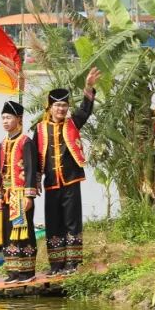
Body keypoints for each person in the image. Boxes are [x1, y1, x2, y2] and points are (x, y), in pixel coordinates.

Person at [37, 68, 100, 273]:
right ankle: (56, 264)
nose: (61, 109)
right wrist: (35, 180)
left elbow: (86, 108)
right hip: (52, 182)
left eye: (64, 105)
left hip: (71, 180)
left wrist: (89, 87)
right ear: (50, 107)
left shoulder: (73, 123)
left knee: (72, 221)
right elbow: (33, 157)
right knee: (53, 222)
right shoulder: (39, 129)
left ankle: (73, 263)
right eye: (57, 105)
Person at [0, 100, 40, 283]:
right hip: (7, 195)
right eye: (3, 118)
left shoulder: (26, 142)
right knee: (8, 232)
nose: (5, 121)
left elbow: (30, 169)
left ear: (18, 119)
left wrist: (29, 195)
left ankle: (27, 271)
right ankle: (13, 271)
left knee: (23, 231)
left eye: (9, 117)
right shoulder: (3, 143)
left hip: (21, 194)